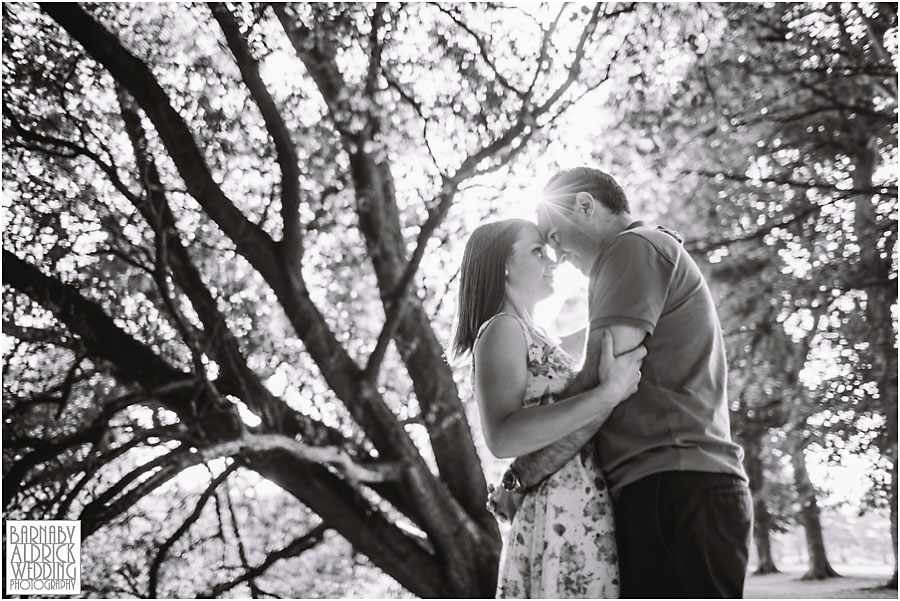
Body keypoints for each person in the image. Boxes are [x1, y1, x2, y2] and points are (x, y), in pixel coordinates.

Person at [496, 167, 753, 598]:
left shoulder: (631, 248)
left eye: (554, 236)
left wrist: (521, 478)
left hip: (674, 488)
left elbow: (600, 389)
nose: (556, 255)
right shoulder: (639, 254)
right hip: (672, 489)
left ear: (584, 205)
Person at [451, 218, 645, 598]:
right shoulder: (502, 329)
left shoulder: (537, 335)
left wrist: (642, 243)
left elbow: (603, 328)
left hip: (580, 508)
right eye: (538, 251)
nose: (552, 260)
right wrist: (606, 395)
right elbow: (503, 436)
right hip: (556, 515)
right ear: (504, 266)